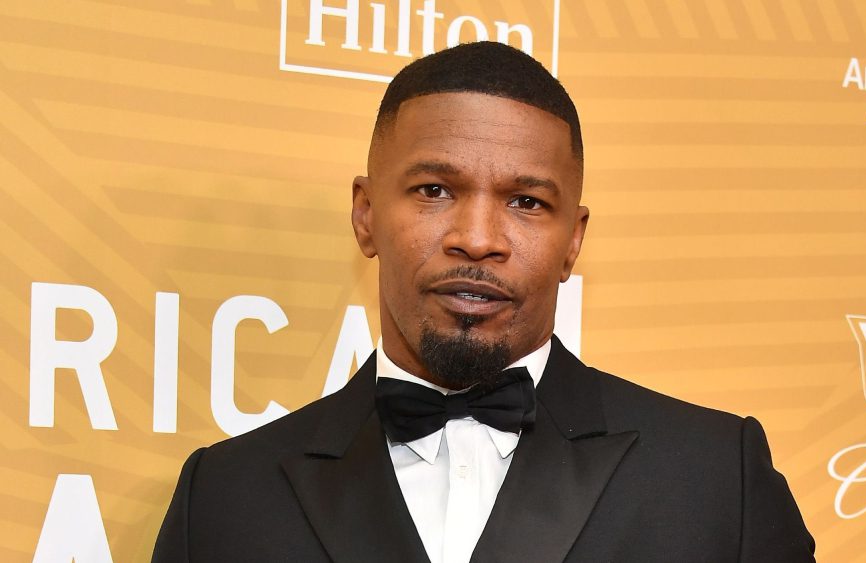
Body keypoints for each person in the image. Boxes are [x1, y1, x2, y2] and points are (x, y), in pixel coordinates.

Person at [153, 41, 815, 562]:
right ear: (365, 215)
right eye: (434, 189)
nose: (477, 239)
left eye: (527, 202)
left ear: (572, 241)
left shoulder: (716, 480)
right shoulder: (224, 497)